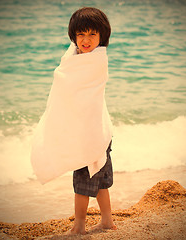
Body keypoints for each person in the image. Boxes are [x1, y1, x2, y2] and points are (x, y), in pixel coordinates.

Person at [66, 7, 117, 234]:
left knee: (82, 183)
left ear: (102, 37)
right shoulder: (81, 57)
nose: (85, 40)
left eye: (92, 35)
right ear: (73, 36)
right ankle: (107, 221)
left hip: (90, 133)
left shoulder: (96, 62)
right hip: (100, 131)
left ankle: (79, 226)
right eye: (80, 34)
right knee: (100, 182)